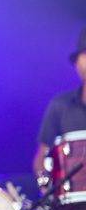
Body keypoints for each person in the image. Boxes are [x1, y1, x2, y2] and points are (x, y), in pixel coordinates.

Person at [32, 27, 86, 181]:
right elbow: (41, 158)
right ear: (77, 63)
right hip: (73, 196)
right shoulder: (60, 105)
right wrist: (45, 185)